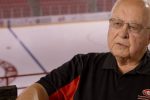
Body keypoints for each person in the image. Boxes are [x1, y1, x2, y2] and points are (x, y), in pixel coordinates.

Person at [17, 0, 150, 100]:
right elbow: (40, 89)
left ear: (148, 37)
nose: (122, 33)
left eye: (133, 27)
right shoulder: (83, 65)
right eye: (117, 24)